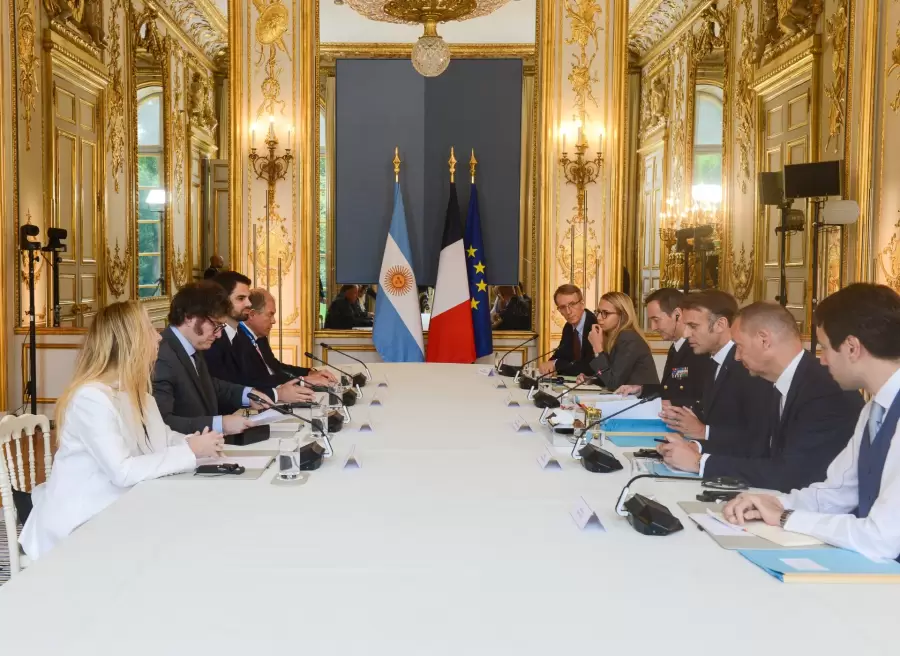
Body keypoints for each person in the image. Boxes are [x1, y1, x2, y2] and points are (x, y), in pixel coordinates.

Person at [19, 301, 224, 560]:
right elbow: (123, 471)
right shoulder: (91, 398)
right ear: (130, 341)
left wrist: (193, 441)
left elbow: (162, 438)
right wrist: (190, 451)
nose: (158, 336)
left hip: (117, 508)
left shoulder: (137, 394)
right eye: (149, 329)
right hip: (82, 520)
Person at [723, 284, 900, 561]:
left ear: (852, 347)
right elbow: (836, 493)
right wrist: (773, 503)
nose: (822, 358)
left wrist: (785, 517)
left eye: (825, 347)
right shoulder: (873, 410)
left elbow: (881, 538)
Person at [660, 301, 863, 492]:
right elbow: (757, 444)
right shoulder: (781, 380)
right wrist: (696, 447)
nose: (737, 357)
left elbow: (792, 474)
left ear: (764, 340)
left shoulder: (824, 390)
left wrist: (699, 463)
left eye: (739, 346)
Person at [658, 290, 772, 457]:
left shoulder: (746, 365)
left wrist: (704, 432)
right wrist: (694, 445)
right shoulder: (713, 361)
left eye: (693, 326)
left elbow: (757, 436)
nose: (687, 333)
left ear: (720, 324)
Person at [152, 282, 271, 435]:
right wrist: (219, 424)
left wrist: (248, 395)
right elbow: (162, 423)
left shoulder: (192, 344)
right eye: (215, 325)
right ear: (189, 317)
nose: (219, 334)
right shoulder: (161, 356)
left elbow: (209, 384)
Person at [204, 271, 314, 405]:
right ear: (222, 301)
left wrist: (302, 380)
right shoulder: (212, 339)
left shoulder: (238, 335)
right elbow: (225, 389)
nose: (249, 304)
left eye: (248, 298)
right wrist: (278, 393)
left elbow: (257, 378)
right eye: (240, 298)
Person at [619, 287, 712, 405]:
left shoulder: (697, 350)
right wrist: (641, 389)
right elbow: (668, 389)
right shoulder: (675, 348)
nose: (653, 327)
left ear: (677, 315)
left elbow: (699, 397)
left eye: (656, 320)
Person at [244, 288, 337, 386]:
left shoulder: (260, 337)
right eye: (270, 314)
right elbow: (257, 380)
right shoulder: (237, 340)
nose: (273, 321)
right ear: (252, 315)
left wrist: (309, 372)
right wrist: (303, 381)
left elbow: (276, 367)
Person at [582, 291, 659, 390]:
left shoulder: (628, 338)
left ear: (622, 315)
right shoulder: (615, 337)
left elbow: (613, 383)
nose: (599, 318)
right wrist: (591, 379)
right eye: (598, 312)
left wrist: (597, 348)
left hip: (642, 401)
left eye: (605, 313)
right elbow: (613, 375)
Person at [539, 284, 597, 376]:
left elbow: (591, 367)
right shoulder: (568, 327)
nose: (568, 312)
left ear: (582, 303)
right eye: (562, 307)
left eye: (572, 304)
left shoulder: (595, 325)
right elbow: (560, 355)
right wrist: (548, 365)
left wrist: (555, 364)